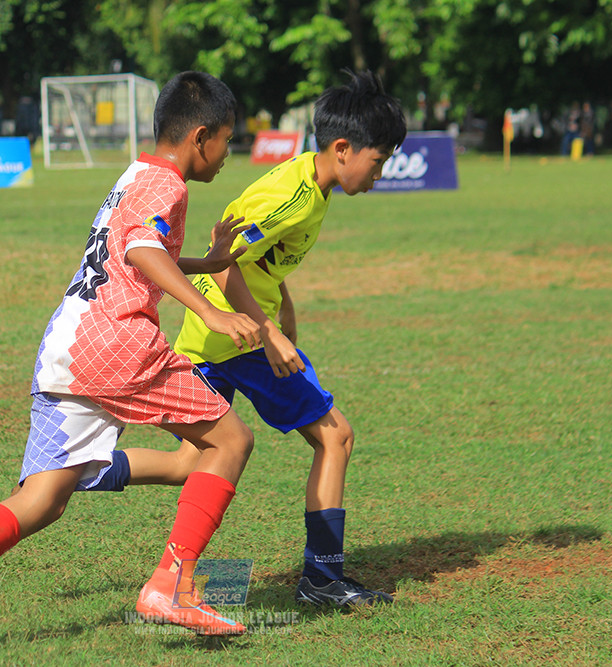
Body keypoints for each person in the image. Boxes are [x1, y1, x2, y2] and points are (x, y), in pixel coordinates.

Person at [0, 71, 264, 667]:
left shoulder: (136, 173)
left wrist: (202, 262)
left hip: (65, 342)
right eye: (227, 142)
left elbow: (128, 246)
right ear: (200, 136)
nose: (227, 155)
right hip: (116, 344)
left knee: (43, 499)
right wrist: (208, 310)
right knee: (231, 440)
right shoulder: (170, 185)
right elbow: (138, 248)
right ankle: (169, 585)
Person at [88, 70, 408, 608]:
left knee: (194, 461)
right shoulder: (294, 196)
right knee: (336, 437)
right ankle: (323, 580)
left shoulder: (308, 186)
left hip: (212, 336)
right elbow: (222, 265)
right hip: (238, 337)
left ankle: (86, 470)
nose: (380, 174)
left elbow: (258, 259)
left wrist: (283, 305)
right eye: (378, 162)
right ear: (343, 148)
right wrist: (268, 334)